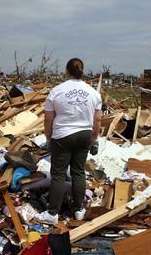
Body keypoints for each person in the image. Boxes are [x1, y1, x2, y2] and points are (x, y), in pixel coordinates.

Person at [35, 58, 102, 225]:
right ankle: (79, 210)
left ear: (67, 70)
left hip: (63, 136)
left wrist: (49, 138)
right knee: (78, 172)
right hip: (84, 135)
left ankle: (52, 213)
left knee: (58, 175)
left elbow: (48, 120)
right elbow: (98, 119)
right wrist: (94, 139)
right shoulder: (93, 92)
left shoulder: (57, 91)